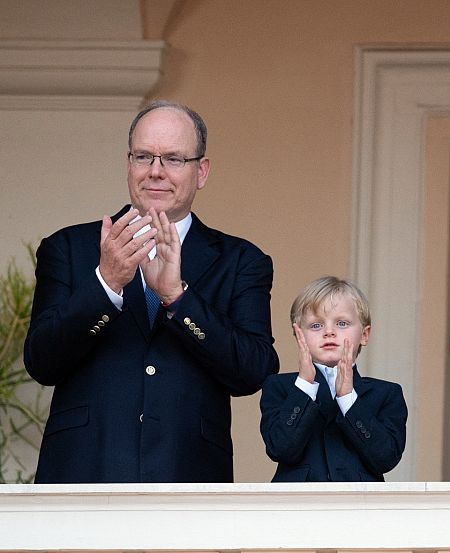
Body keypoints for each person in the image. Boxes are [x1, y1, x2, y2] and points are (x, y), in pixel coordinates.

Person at [24, 100, 280, 483]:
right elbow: (41, 361)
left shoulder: (242, 260)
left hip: (188, 479)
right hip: (82, 475)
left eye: (174, 159)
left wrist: (179, 298)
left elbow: (254, 371)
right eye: (144, 156)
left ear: (201, 171)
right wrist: (106, 284)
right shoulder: (69, 248)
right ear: (129, 164)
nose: (156, 172)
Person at [260, 276, 407, 482]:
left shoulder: (387, 394)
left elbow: (385, 459)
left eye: (342, 323)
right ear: (298, 333)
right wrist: (305, 386)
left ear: (364, 335)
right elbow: (280, 449)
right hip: (297, 508)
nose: (329, 332)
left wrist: (348, 399)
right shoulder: (280, 387)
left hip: (360, 508)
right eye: (316, 325)